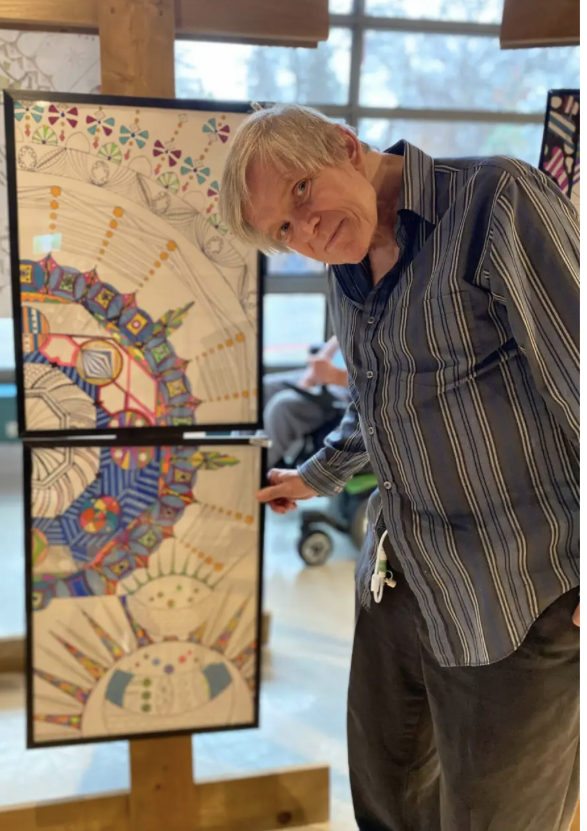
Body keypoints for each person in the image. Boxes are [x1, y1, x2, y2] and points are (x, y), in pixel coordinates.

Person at [221, 105, 579, 831]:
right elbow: (375, 400)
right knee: (387, 802)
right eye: (284, 230)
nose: (307, 231)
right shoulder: (346, 268)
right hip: (401, 575)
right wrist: (314, 477)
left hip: (517, 586)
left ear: (345, 146)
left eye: (301, 191)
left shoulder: (495, 200)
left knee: (495, 818)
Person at [263, 335, 349, 467]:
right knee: (263, 388)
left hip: (350, 389)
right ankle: (241, 451)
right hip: (330, 374)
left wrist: (336, 376)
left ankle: (259, 468)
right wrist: (312, 373)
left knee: (282, 405)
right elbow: (341, 336)